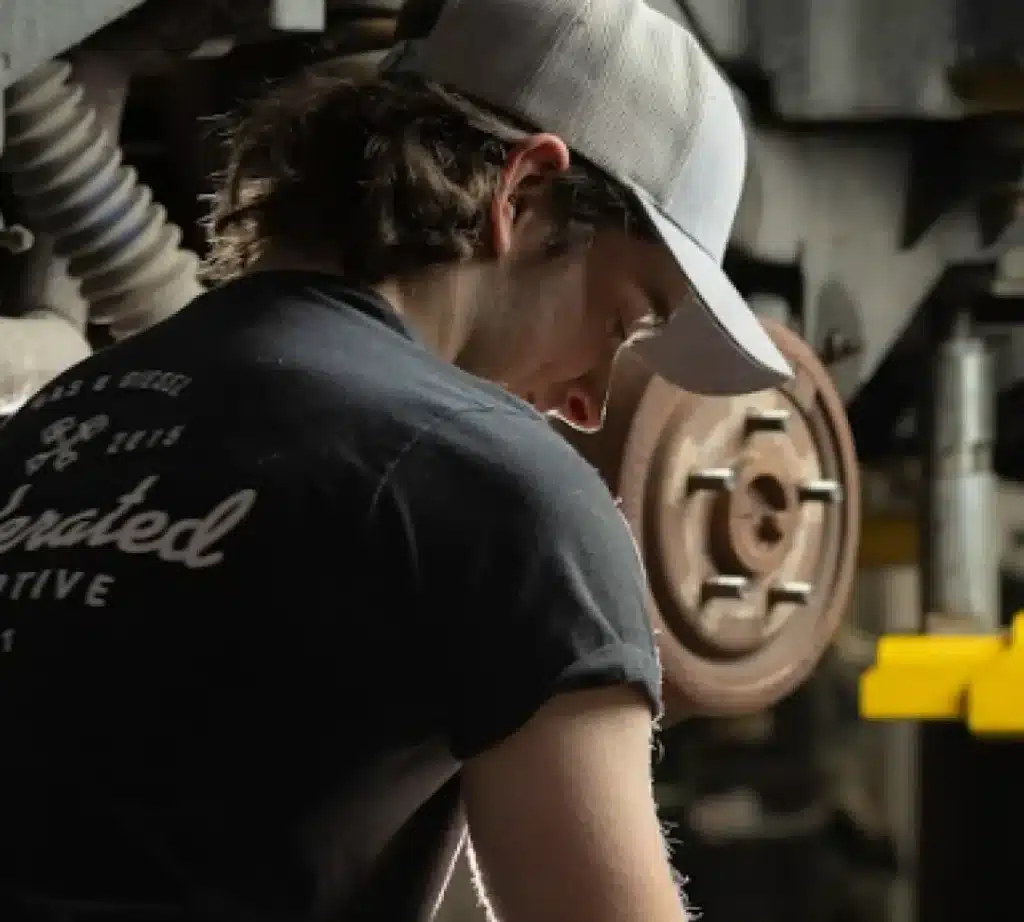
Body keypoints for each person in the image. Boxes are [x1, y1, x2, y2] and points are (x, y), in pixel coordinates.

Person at [0, 0, 792, 919]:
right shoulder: (502, 487)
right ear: (524, 196)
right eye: (623, 320)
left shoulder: (52, 427)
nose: (590, 404)